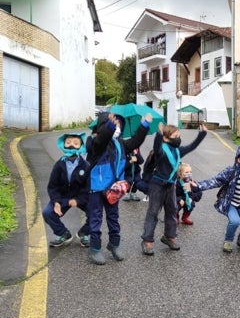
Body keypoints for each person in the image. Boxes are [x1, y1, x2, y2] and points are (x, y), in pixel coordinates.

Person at [86, 113, 151, 264]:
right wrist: (109, 126)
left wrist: (144, 125)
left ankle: (114, 245)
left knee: (113, 217)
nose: (117, 127)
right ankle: (95, 249)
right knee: (96, 218)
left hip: (114, 189)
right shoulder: (94, 142)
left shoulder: (120, 144)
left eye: (119, 125)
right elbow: (101, 140)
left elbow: (135, 142)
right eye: (114, 124)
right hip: (96, 188)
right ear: (102, 126)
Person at [139, 123, 208, 256]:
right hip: (157, 185)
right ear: (166, 138)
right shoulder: (161, 151)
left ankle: (169, 236)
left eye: (179, 135)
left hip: (170, 186)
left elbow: (192, 146)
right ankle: (147, 240)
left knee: (172, 211)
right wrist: (159, 134)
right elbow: (156, 146)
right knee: (153, 213)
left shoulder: (178, 150)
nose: (178, 138)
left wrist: (202, 134)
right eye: (175, 136)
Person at [43, 132, 91, 248]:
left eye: (75, 143)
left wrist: (78, 200)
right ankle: (63, 233)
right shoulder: (59, 165)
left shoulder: (86, 165)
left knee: (95, 212)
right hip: (63, 197)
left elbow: (88, 188)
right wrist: (56, 202)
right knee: (47, 212)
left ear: (81, 146)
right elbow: (52, 186)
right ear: (63, 144)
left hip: (80, 196)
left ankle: (84, 233)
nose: (71, 145)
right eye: (68, 142)